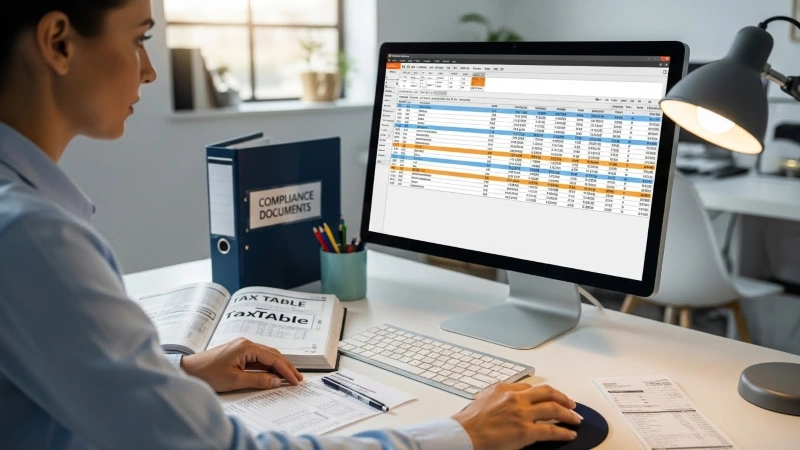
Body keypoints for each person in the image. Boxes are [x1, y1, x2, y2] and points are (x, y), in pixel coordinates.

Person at [0, 1, 582, 449]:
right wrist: (461, 433)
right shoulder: (33, 237)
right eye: (139, 40)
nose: (150, 71)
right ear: (58, 42)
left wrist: (181, 374)